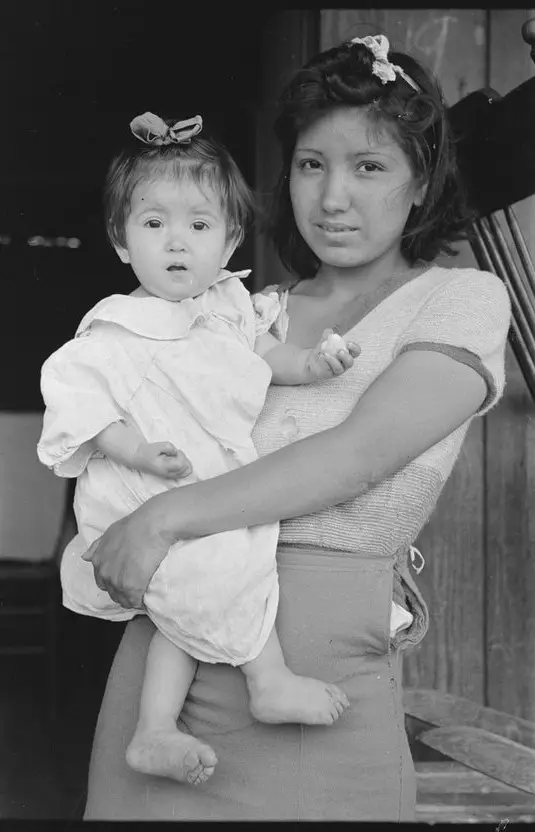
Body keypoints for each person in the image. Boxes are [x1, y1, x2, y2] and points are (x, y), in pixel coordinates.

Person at [80, 34, 512, 821]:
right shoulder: (244, 310)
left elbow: (353, 459)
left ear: (421, 183)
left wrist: (162, 517)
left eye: (368, 166)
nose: (333, 197)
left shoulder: (459, 300)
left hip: (319, 686)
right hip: (167, 679)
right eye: (312, 165)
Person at [37, 112, 361, 785]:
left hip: (199, 486)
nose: (176, 243)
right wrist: (134, 450)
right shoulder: (115, 328)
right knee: (209, 568)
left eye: (198, 225)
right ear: (122, 242)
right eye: (153, 224)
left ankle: (155, 730)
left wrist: (319, 365)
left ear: (230, 237)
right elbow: (82, 407)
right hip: (141, 486)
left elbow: (277, 361)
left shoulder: (230, 308)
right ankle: (266, 678)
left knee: (199, 586)